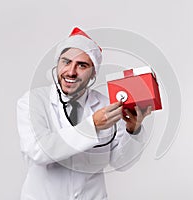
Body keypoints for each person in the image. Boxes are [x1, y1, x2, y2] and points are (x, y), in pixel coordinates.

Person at [17, 27, 152, 200]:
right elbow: (38, 151)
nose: (71, 71)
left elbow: (121, 163)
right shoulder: (32, 101)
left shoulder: (106, 105)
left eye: (82, 65)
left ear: (94, 73)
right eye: (66, 62)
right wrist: (93, 126)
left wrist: (133, 130)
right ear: (57, 64)